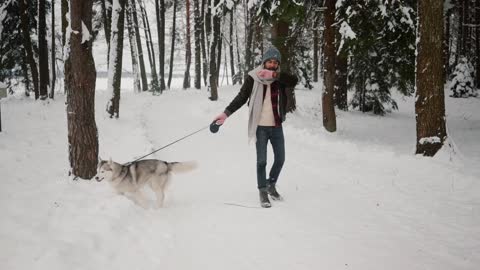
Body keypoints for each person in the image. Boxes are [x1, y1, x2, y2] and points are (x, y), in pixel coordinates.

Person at [213, 46, 298, 208]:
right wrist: (225, 114)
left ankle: (271, 184)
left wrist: (273, 75)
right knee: (261, 162)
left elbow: (293, 81)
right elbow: (241, 97)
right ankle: (262, 191)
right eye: (269, 62)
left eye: (275, 63)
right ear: (264, 62)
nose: (272, 64)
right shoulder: (253, 77)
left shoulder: (279, 78)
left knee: (280, 159)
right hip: (260, 127)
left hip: (277, 126)